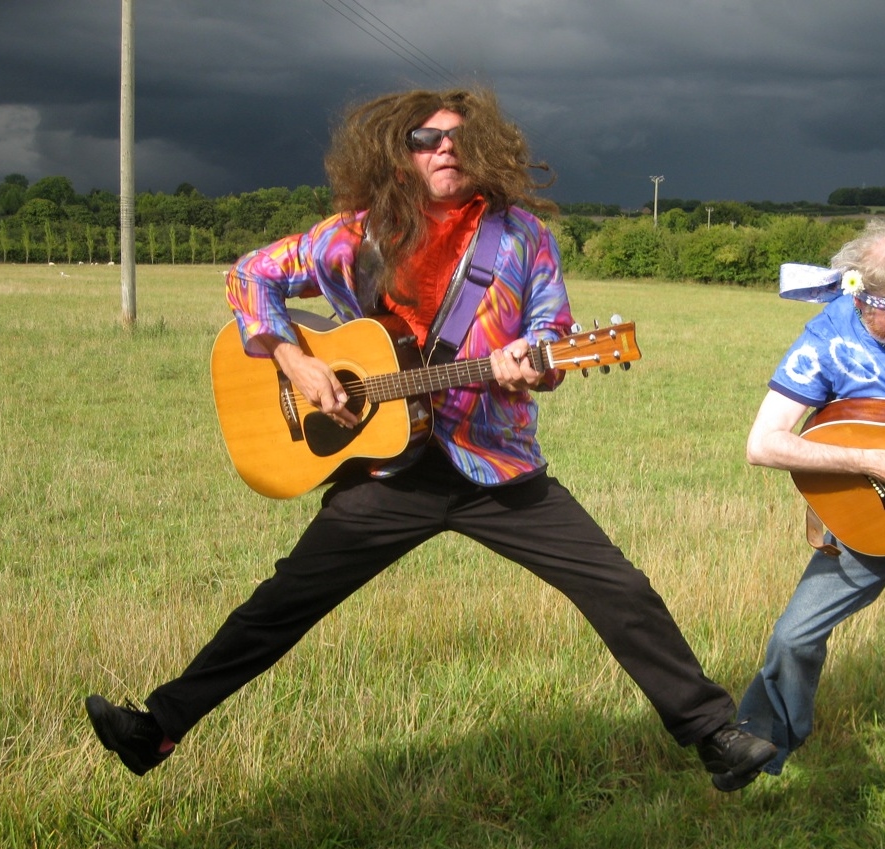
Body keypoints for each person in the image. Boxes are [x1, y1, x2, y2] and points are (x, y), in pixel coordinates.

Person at [85, 87, 775, 789]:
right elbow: (249, 276)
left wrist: (533, 361)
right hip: (388, 471)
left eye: (459, 138)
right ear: (399, 153)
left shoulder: (523, 238)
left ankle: (714, 735)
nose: (445, 148)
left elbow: (553, 335)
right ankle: (156, 730)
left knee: (618, 586)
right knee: (283, 602)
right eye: (426, 138)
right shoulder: (356, 236)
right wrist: (296, 361)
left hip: (496, 466)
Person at [719, 221, 885, 791]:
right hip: (870, 525)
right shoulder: (828, 340)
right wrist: (869, 463)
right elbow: (763, 445)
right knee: (794, 638)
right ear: (865, 301)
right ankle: (759, 752)